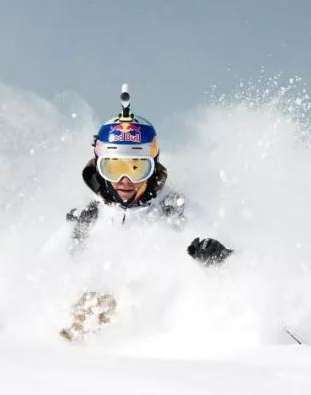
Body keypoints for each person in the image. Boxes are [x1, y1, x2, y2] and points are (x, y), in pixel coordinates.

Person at [58, 86, 232, 341]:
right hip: (93, 330)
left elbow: (242, 268)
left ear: (153, 169)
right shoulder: (89, 216)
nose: (125, 180)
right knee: (91, 301)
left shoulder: (176, 211)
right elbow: (43, 269)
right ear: (98, 166)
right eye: (114, 168)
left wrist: (220, 258)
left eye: (137, 167)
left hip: (155, 326)